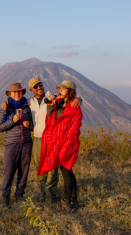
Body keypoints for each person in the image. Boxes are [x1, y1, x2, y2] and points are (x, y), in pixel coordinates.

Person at [1, 77, 81, 204]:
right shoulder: (28, 103)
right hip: (37, 139)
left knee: (52, 169)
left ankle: (51, 196)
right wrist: (5, 104)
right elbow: (12, 106)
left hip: (52, 139)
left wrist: (78, 99)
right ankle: (42, 194)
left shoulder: (51, 97)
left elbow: (67, 99)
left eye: (41, 85)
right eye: (36, 86)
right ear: (31, 89)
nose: (40, 87)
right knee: (39, 167)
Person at [37, 80, 83, 212]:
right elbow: (51, 120)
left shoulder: (75, 108)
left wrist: (67, 145)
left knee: (66, 171)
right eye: (60, 88)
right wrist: (51, 105)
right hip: (57, 142)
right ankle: (73, 200)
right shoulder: (58, 103)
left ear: (70, 91)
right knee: (68, 171)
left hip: (67, 144)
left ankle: (66, 202)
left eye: (63, 88)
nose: (60, 90)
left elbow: (74, 129)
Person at [0, 83, 34, 207]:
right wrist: (12, 121)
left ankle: (19, 195)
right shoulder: (5, 108)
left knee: (24, 172)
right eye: (14, 92)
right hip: (11, 144)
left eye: (19, 92)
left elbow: (34, 126)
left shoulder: (27, 107)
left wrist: (29, 126)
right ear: (10, 94)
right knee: (9, 171)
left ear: (22, 93)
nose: (17, 94)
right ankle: (5, 197)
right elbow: (0, 128)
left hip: (27, 144)